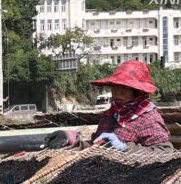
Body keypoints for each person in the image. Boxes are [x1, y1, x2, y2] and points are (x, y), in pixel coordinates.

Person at [44, 60, 172, 153]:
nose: (117, 91)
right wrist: (71, 140)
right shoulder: (110, 115)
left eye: (124, 87)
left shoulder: (148, 118)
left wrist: (125, 148)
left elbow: (164, 151)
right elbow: (96, 147)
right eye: (114, 86)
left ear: (138, 91)